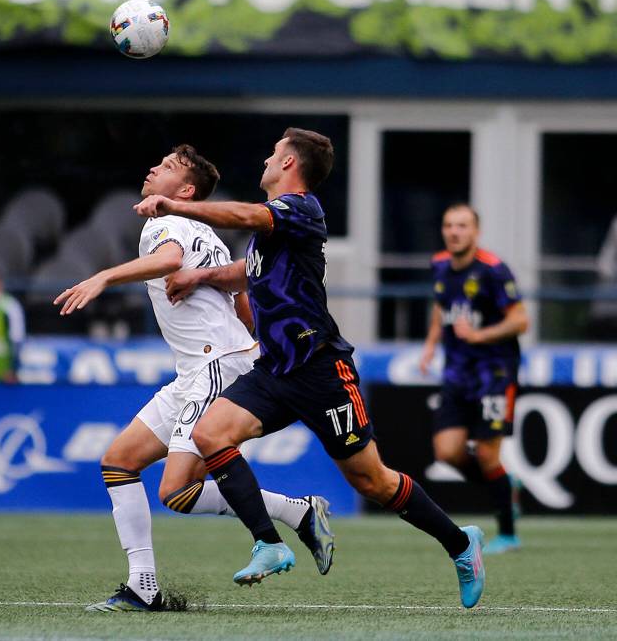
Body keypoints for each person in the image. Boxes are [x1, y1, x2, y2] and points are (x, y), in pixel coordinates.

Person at [138, 128, 486, 609]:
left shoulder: (300, 209)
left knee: (373, 481)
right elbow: (250, 270)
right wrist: (203, 276)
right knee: (211, 435)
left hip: (321, 369)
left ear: (289, 166)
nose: (266, 157)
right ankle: (269, 542)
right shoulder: (272, 230)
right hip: (276, 369)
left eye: (274, 153)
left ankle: (461, 545)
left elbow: (244, 214)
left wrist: (175, 207)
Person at [56, 145, 334, 613]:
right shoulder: (205, 232)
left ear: (185, 191)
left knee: (178, 491)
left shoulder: (163, 225)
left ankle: (294, 513)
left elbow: (167, 262)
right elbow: (238, 297)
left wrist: (103, 277)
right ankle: (143, 585)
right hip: (201, 369)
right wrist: (256, 342)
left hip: (214, 366)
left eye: (165, 167)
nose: (152, 167)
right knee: (119, 461)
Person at [420, 204, 528, 555]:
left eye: (462, 226)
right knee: (448, 451)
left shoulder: (494, 271)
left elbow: (521, 321)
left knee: (486, 453)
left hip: (494, 373)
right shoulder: (439, 264)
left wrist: (481, 335)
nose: (454, 231)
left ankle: (508, 532)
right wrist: (430, 345)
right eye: (449, 225)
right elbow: (441, 307)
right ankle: (504, 486)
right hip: (457, 373)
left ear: (475, 232)